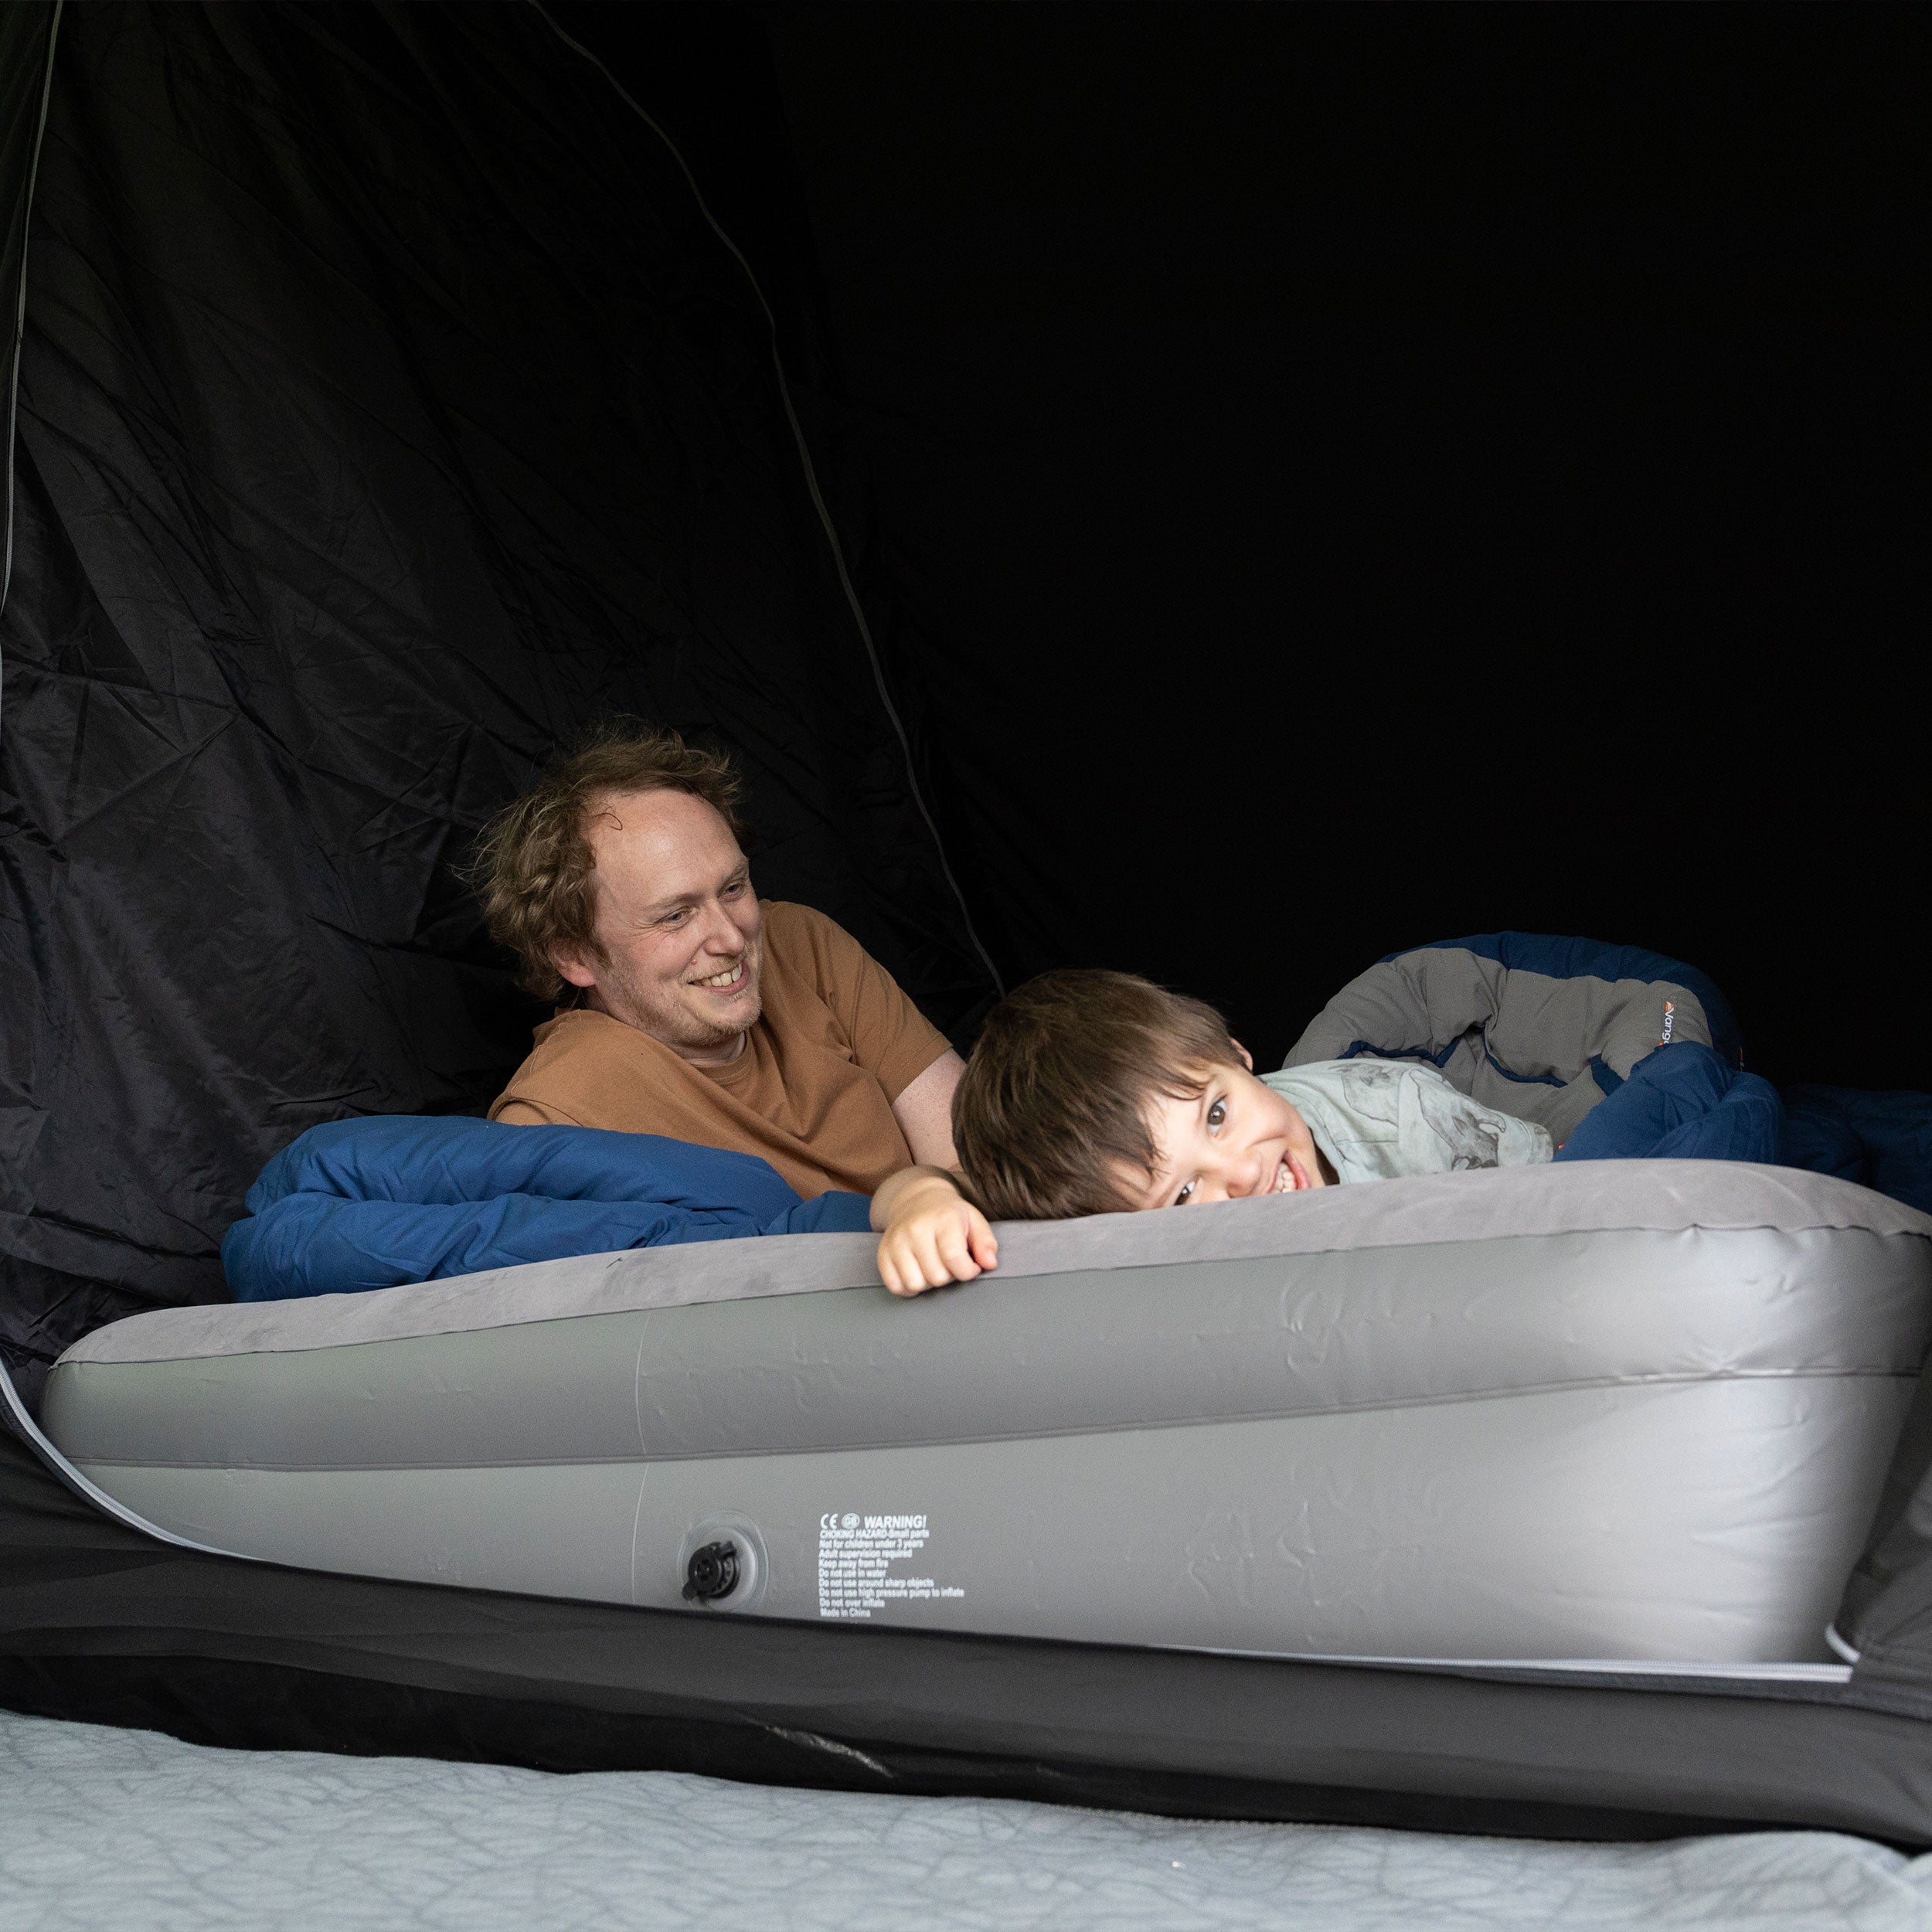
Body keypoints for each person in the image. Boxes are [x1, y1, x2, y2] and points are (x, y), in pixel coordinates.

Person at [474, 726, 973, 1213]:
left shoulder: (804, 943)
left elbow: (977, 1156)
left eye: (733, 889)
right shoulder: (553, 1120)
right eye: (676, 915)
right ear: (576, 957)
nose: (733, 939)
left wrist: (926, 1205)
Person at [872, 968, 1551, 1296]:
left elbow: (1563, 1196)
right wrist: (921, 1205)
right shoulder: (1091, 1194)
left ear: (1234, 1052)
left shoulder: (1404, 1119)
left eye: (1217, 1115)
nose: (1243, 1173)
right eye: (1182, 1193)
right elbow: (936, 1182)